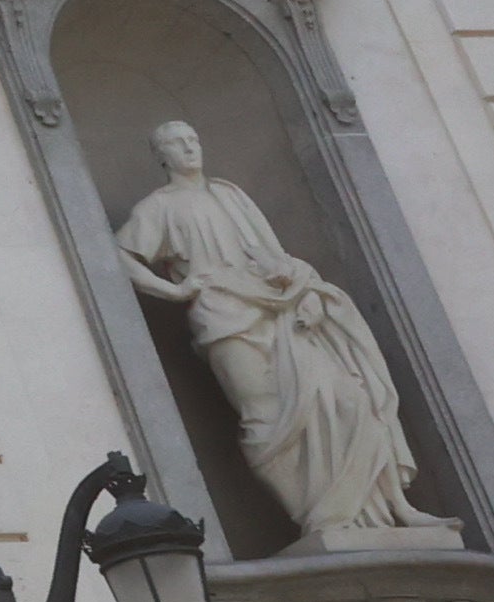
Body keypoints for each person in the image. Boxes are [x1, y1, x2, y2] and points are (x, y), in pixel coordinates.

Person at [113, 118, 450, 539]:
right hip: (223, 317)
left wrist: (304, 290)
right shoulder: (159, 206)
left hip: (277, 306)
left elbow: (274, 257)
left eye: (192, 139)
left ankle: (394, 507)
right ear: (161, 156)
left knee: (350, 397)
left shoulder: (230, 194)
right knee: (265, 420)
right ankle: (318, 520)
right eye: (176, 143)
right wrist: (175, 290)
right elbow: (119, 254)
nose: (189, 148)